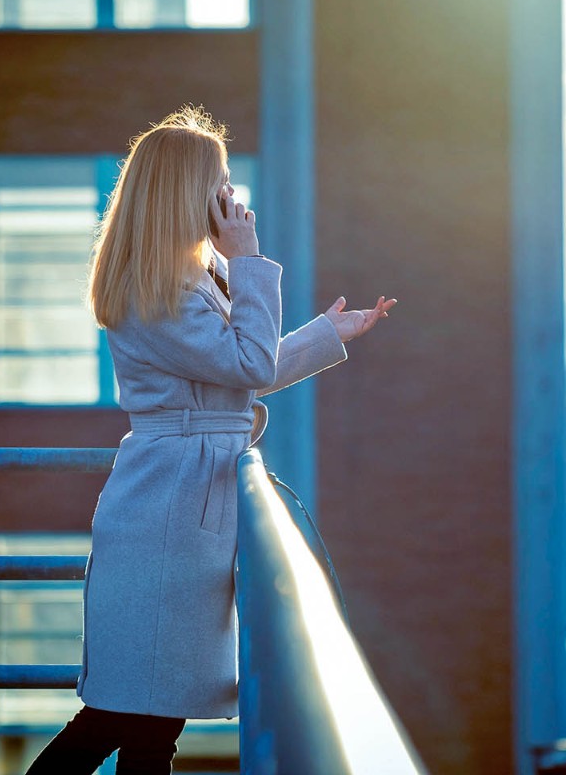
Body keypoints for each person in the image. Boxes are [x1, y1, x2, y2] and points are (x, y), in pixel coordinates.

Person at [25, 106, 396, 774]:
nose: (233, 200)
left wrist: (323, 336)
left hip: (179, 498)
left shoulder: (187, 280)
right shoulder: (157, 291)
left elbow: (233, 378)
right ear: (186, 193)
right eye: (221, 183)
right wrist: (249, 263)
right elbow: (246, 367)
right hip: (170, 509)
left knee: (147, 725)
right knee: (125, 715)